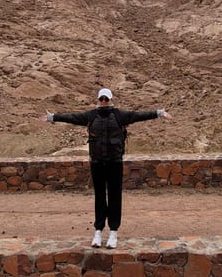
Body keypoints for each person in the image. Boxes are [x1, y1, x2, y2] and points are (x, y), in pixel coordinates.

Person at [41, 88, 170, 248]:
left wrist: (158, 113)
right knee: (99, 196)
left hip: (114, 162)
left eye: (106, 99)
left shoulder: (119, 115)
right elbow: (72, 117)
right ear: (97, 100)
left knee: (115, 196)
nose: (103, 102)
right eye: (101, 99)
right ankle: (98, 231)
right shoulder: (91, 115)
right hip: (97, 162)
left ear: (110, 100)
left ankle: (113, 232)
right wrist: (53, 117)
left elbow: (138, 116)